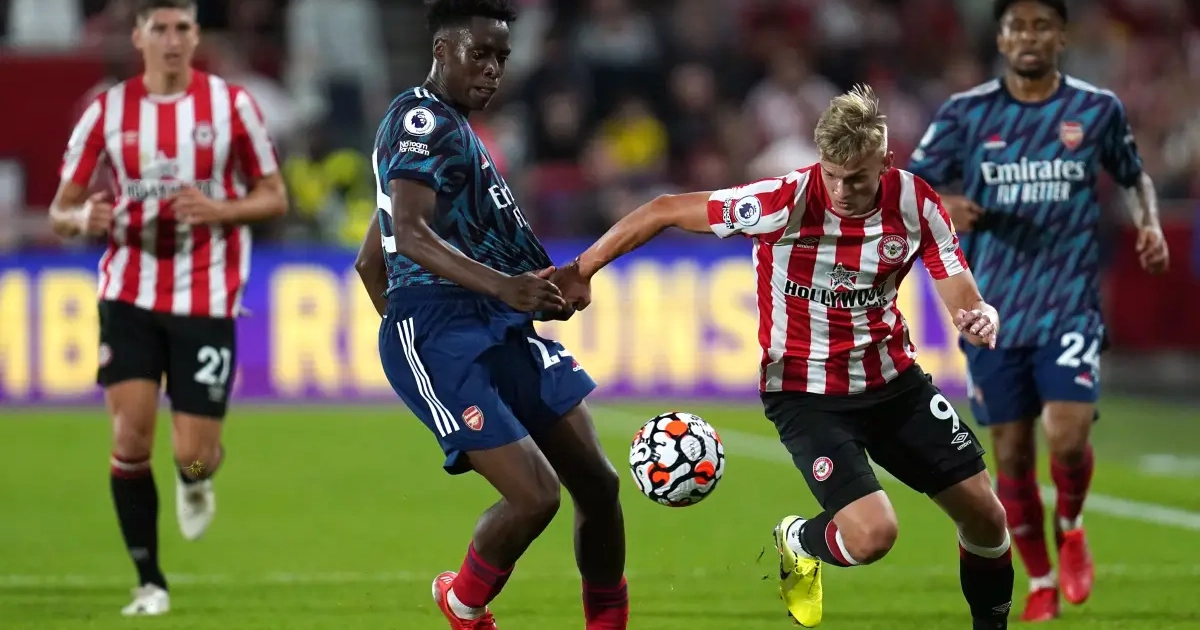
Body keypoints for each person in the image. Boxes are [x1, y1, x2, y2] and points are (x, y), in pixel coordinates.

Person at [553, 85, 1015, 630]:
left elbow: (960, 288)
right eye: (832, 174)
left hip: (895, 385)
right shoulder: (783, 201)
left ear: (885, 163)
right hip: (805, 395)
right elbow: (666, 209)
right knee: (874, 536)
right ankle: (799, 540)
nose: (841, 190)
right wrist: (582, 268)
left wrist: (977, 315)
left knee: (987, 518)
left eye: (857, 179)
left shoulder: (917, 203)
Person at [354, 2, 628, 629]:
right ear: (441, 50)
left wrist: (534, 291)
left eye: (502, 57)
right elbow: (410, 235)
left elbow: (373, 258)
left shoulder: (450, 130)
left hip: (488, 321)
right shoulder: (421, 119)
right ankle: (463, 603)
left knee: (598, 485)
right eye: (479, 54)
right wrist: (423, 339)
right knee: (535, 496)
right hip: (441, 330)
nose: (493, 70)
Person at [906, 0, 1169, 621]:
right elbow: (908, 189)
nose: (1029, 36)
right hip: (991, 309)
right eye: (1017, 26)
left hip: (1069, 302)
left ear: (1061, 37)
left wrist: (1150, 224)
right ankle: (1042, 580)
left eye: (1041, 25)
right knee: (1012, 455)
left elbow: (1133, 176)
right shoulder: (966, 113)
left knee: (1068, 437)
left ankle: (1071, 525)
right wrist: (947, 202)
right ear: (1000, 39)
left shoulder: (1095, 109)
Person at [48, 0, 287, 616]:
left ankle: (195, 480)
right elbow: (60, 209)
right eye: (160, 28)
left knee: (193, 453)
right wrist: (81, 217)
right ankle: (149, 582)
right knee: (129, 437)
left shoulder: (232, 106)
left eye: (183, 27)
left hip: (206, 295)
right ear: (138, 36)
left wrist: (221, 210)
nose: (173, 40)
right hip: (128, 292)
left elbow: (274, 196)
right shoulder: (106, 110)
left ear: (197, 34)